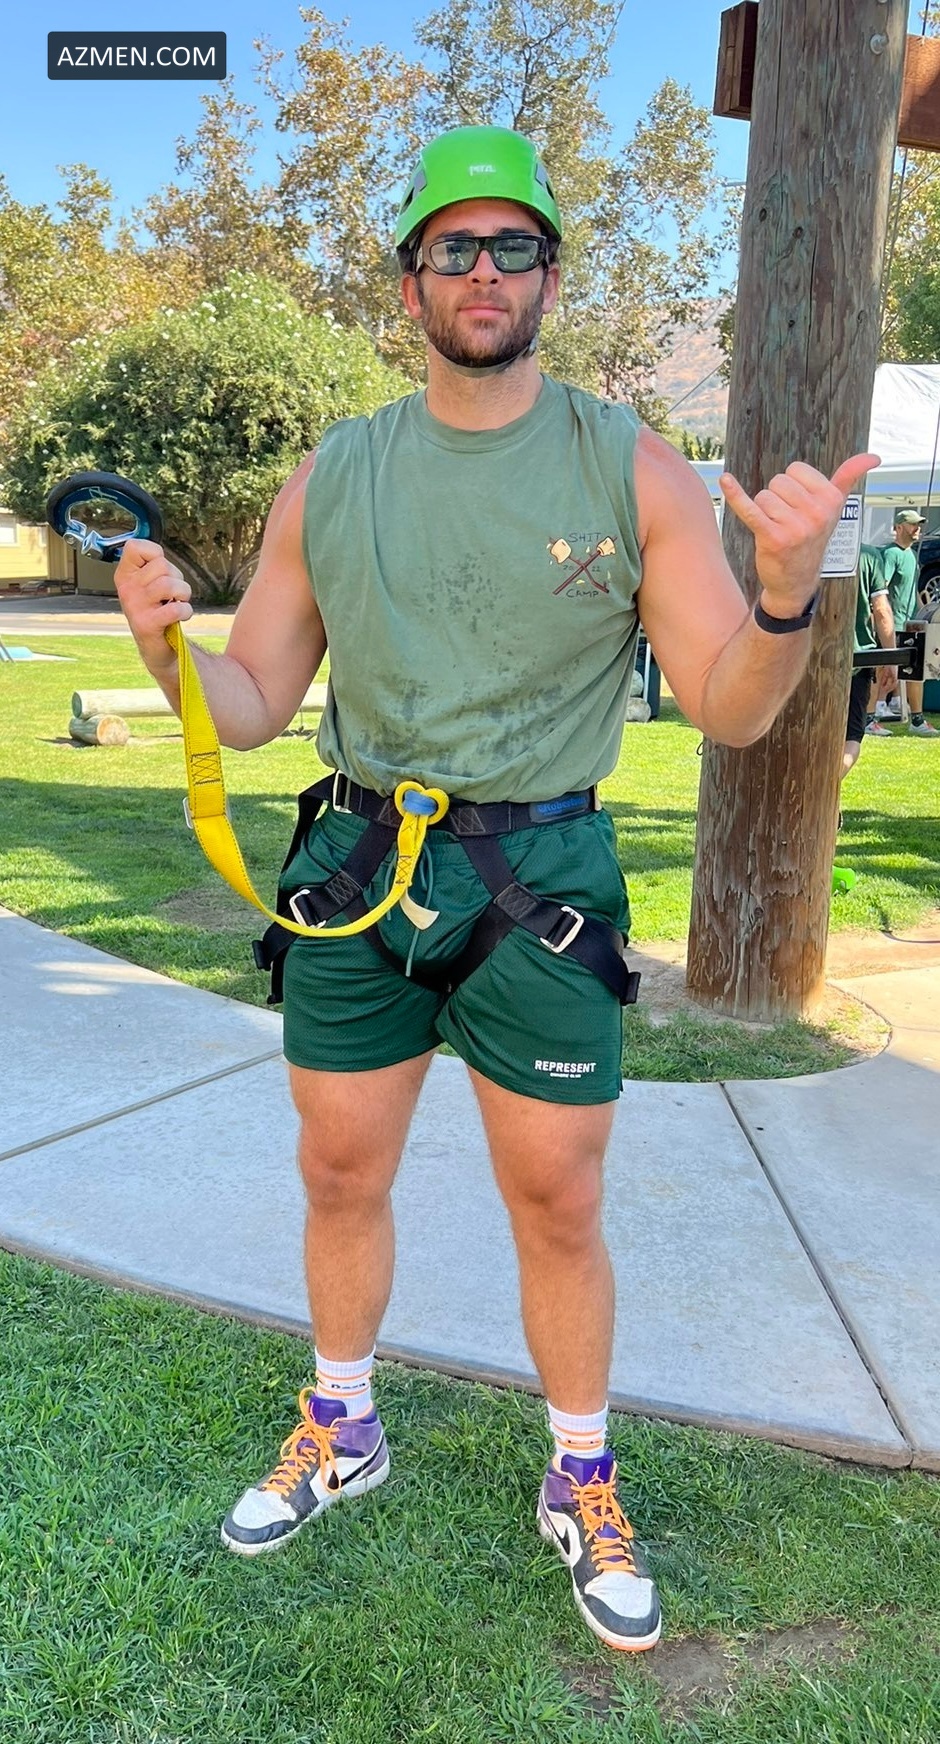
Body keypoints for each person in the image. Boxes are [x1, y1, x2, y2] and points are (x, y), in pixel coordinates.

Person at [113, 125, 878, 1655]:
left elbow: (732, 705)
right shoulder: (335, 474)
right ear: (411, 282)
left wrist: (791, 594)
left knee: (559, 1197)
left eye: (511, 245)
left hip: (541, 880)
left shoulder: (628, 465)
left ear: (549, 276)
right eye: (452, 248)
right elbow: (252, 703)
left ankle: (580, 1472)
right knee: (340, 1171)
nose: (483, 271)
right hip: (354, 866)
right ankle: (343, 1423)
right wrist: (166, 652)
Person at [881, 509, 938, 736]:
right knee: (883, 670)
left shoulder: (912, 555)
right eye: (913, 524)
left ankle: (916, 719)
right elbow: (881, 589)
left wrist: (923, 612)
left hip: (910, 625)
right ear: (899, 527)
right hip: (891, 625)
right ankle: (873, 714)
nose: (917, 529)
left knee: (916, 672)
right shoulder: (890, 554)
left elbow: (913, 590)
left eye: (919, 525)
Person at [845, 544, 897, 764]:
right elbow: (881, 610)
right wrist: (891, 659)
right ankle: (826, 782)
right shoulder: (869, 556)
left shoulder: (806, 544)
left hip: (806, 658)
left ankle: (821, 782)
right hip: (857, 659)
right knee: (852, 736)